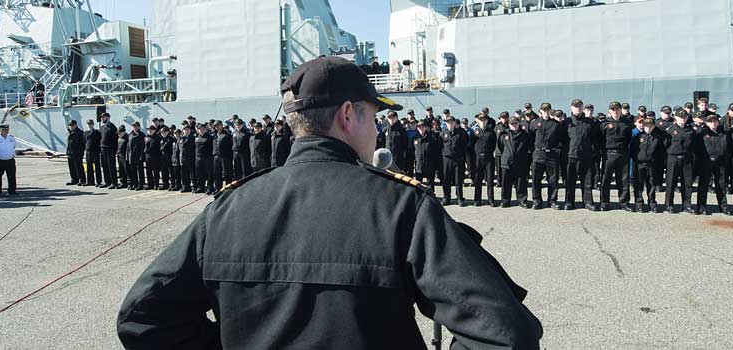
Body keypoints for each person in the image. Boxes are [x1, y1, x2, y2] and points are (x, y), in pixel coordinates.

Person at [117, 56, 541, 349]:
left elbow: (143, 317)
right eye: (374, 118)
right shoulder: (402, 208)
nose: (377, 131)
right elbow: (505, 332)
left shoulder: (226, 209)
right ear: (347, 115)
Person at [564, 99, 600, 210]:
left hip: (586, 156)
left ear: (582, 107)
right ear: (571, 108)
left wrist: (594, 153)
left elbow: (595, 139)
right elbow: (562, 139)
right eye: (575, 106)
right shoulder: (567, 122)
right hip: (571, 156)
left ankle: (588, 202)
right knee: (570, 181)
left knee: (587, 181)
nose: (577, 108)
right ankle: (569, 202)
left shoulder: (590, 122)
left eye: (579, 106)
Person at [599, 102, 634, 211]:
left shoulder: (627, 123)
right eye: (613, 109)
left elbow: (629, 138)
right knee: (605, 179)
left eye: (617, 109)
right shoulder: (604, 124)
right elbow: (600, 139)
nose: (615, 111)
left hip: (622, 153)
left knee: (623, 179)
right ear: (609, 111)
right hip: (608, 154)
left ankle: (624, 202)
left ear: (620, 110)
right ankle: (604, 202)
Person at [530, 109, 566, 210]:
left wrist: (557, 150)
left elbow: (562, 138)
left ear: (550, 111)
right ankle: (537, 200)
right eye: (544, 110)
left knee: (553, 180)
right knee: (536, 179)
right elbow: (531, 138)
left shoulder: (556, 124)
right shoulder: (535, 123)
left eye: (548, 110)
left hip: (552, 155)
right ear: (540, 111)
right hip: (538, 154)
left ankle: (552, 200)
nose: (546, 112)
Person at [696, 116, 732, 215]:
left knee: (721, 185)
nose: (713, 123)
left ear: (718, 122)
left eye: (715, 121)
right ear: (707, 123)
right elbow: (697, 149)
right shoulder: (702, 134)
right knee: (703, 185)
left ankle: (723, 207)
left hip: (720, 163)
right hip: (706, 162)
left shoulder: (724, 133)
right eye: (710, 122)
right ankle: (701, 206)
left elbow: (729, 147)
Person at [663, 110, 697, 214]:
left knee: (687, 184)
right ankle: (669, 205)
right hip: (673, 159)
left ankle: (686, 205)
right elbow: (665, 145)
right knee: (671, 183)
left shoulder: (691, 130)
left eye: (684, 117)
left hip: (687, 159)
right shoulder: (669, 130)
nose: (682, 119)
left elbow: (694, 146)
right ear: (675, 117)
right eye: (680, 117)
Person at [632, 118, 664, 213]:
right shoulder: (638, 136)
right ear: (643, 126)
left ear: (653, 126)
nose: (648, 128)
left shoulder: (657, 138)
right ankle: (639, 203)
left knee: (652, 185)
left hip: (652, 165)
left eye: (650, 126)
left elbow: (660, 153)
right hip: (639, 164)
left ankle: (652, 203)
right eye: (646, 126)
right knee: (638, 185)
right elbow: (633, 150)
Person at [498, 116, 530, 207]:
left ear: (519, 123)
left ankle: (522, 200)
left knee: (521, 182)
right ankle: (505, 200)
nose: (514, 125)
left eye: (516, 123)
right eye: (512, 124)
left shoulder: (524, 134)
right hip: (507, 162)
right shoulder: (504, 134)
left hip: (520, 162)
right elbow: (500, 146)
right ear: (509, 125)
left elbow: (527, 146)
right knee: (506, 183)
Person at [440, 116, 468, 206]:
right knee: (446, 179)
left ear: (454, 123)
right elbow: (439, 146)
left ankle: (460, 198)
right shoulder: (442, 133)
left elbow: (464, 146)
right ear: (446, 123)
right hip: (446, 159)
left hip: (457, 159)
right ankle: (446, 197)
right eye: (448, 122)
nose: (450, 124)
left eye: (451, 122)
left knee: (458, 180)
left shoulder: (460, 133)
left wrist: (462, 158)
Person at [473, 115, 498, 206]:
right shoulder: (475, 132)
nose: (482, 122)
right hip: (478, 158)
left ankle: (491, 199)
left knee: (490, 180)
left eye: (484, 120)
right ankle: (477, 199)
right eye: (481, 120)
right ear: (478, 121)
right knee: (478, 179)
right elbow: (472, 145)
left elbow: (494, 144)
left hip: (489, 158)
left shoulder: (491, 132)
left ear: (487, 121)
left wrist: (488, 153)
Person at [413, 120, 441, 188]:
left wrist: (436, 166)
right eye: (419, 127)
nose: (421, 129)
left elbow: (436, 153)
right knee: (418, 186)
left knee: (430, 185)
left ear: (425, 127)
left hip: (429, 165)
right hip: (419, 166)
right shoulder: (415, 138)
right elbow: (412, 152)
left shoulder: (432, 138)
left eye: (422, 127)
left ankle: (431, 197)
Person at [99, 113, 119, 188]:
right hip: (103, 148)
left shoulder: (112, 127)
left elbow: (115, 139)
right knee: (104, 165)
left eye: (104, 117)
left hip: (110, 149)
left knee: (111, 166)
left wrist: (115, 149)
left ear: (108, 117)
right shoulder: (102, 127)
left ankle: (114, 182)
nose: (102, 119)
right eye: (101, 117)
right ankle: (107, 181)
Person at [193, 123, 214, 193]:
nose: (201, 130)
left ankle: (209, 187)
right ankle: (200, 187)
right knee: (199, 173)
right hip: (198, 157)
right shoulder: (196, 137)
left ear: (205, 129)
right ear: (198, 130)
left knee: (209, 173)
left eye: (203, 129)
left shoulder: (209, 137)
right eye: (200, 129)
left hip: (207, 157)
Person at [213, 123, 234, 189]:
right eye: (216, 126)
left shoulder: (227, 134)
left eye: (218, 126)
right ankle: (218, 188)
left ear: (221, 125)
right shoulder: (214, 135)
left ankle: (228, 187)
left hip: (225, 156)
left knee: (227, 173)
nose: (217, 127)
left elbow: (231, 145)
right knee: (217, 173)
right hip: (216, 156)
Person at [66, 120, 86, 186]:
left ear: (75, 125)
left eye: (72, 125)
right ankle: (74, 179)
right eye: (70, 125)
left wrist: (81, 152)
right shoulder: (70, 132)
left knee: (78, 166)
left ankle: (82, 180)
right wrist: (68, 151)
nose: (71, 127)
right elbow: (69, 143)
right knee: (71, 167)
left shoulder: (80, 133)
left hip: (77, 152)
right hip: (70, 152)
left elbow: (83, 144)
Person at [127, 122, 146, 191]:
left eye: (136, 126)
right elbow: (128, 146)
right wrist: (127, 156)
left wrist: (142, 156)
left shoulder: (142, 135)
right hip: (131, 156)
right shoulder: (130, 135)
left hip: (138, 156)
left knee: (140, 171)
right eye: (133, 126)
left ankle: (141, 184)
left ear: (139, 127)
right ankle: (134, 184)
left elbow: (143, 147)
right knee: (133, 171)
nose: (134, 127)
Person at [178, 124, 196, 193]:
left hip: (191, 158)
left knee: (192, 174)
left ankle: (194, 187)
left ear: (190, 130)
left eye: (187, 130)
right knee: (184, 174)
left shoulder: (193, 138)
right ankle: (185, 187)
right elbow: (179, 150)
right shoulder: (181, 138)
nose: (186, 131)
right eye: (185, 130)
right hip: (183, 158)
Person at [84, 119, 102, 186]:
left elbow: (99, 141)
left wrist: (98, 150)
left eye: (91, 124)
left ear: (93, 124)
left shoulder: (97, 132)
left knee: (97, 167)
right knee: (89, 167)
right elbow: (85, 141)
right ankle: (90, 181)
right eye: (88, 124)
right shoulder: (86, 133)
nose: (89, 125)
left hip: (95, 151)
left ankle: (99, 181)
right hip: (88, 151)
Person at [144, 126, 162, 190]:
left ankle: (156, 185)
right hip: (147, 156)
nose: (149, 131)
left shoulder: (157, 137)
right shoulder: (146, 137)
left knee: (155, 171)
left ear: (154, 130)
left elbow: (159, 148)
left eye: (151, 130)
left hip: (155, 156)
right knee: (148, 172)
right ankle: (150, 185)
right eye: (148, 130)